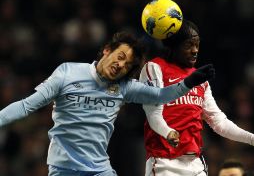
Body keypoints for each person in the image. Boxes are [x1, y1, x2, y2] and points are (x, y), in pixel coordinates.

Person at [0, 31, 214, 176]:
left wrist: (190, 82)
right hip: (63, 167)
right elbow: (26, 105)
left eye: (127, 64)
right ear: (106, 51)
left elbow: (160, 96)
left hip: (100, 168)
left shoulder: (124, 86)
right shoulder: (67, 72)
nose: (121, 65)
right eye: (120, 56)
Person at [139, 20, 254, 176]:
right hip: (164, 163)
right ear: (173, 46)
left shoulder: (200, 79)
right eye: (188, 45)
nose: (194, 50)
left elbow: (219, 122)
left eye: (197, 45)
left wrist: (251, 138)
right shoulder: (154, 67)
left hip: (195, 164)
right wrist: (168, 132)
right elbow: (153, 114)